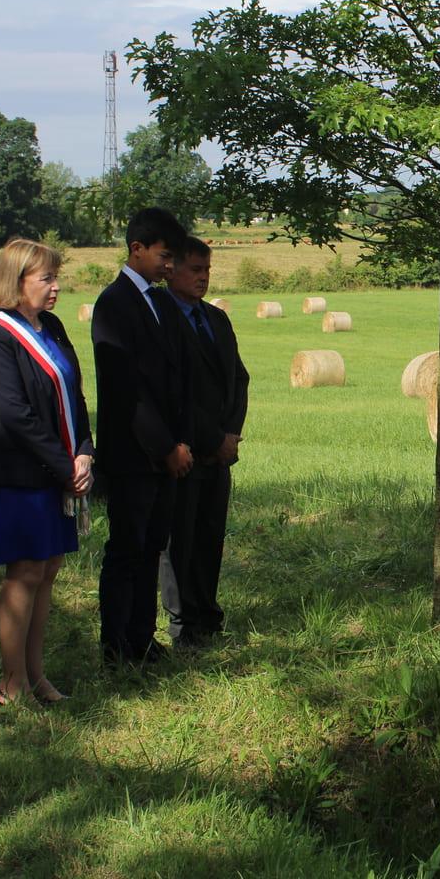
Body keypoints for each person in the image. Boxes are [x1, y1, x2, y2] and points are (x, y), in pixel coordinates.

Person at [0, 239, 92, 704]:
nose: (56, 287)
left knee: (48, 570)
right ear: (16, 281)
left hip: (59, 470)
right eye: (46, 278)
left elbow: (75, 392)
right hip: (20, 474)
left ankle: (35, 675)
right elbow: (12, 412)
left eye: (55, 277)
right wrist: (65, 464)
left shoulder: (54, 325)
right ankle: (11, 682)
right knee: (23, 572)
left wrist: (85, 450)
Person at [92, 207, 192, 667]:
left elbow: (174, 382)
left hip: (166, 452)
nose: (170, 266)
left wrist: (181, 442)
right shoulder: (114, 304)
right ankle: (115, 647)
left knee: (152, 547)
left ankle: (142, 637)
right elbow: (127, 392)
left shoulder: (160, 302)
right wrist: (165, 447)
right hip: (134, 454)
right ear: (137, 249)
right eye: (164, 255)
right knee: (126, 551)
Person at [159, 237, 249, 648]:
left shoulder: (216, 319)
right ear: (171, 269)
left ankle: (208, 618)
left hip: (220, 452)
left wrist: (231, 434)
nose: (203, 277)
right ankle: (183, 626)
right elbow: (178, 394)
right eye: (195, 269)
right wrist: (211, 440)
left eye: (208, 270)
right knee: (180, 540)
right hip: (186, 451)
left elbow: (239, 379)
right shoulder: (159, 318)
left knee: (211, 535)